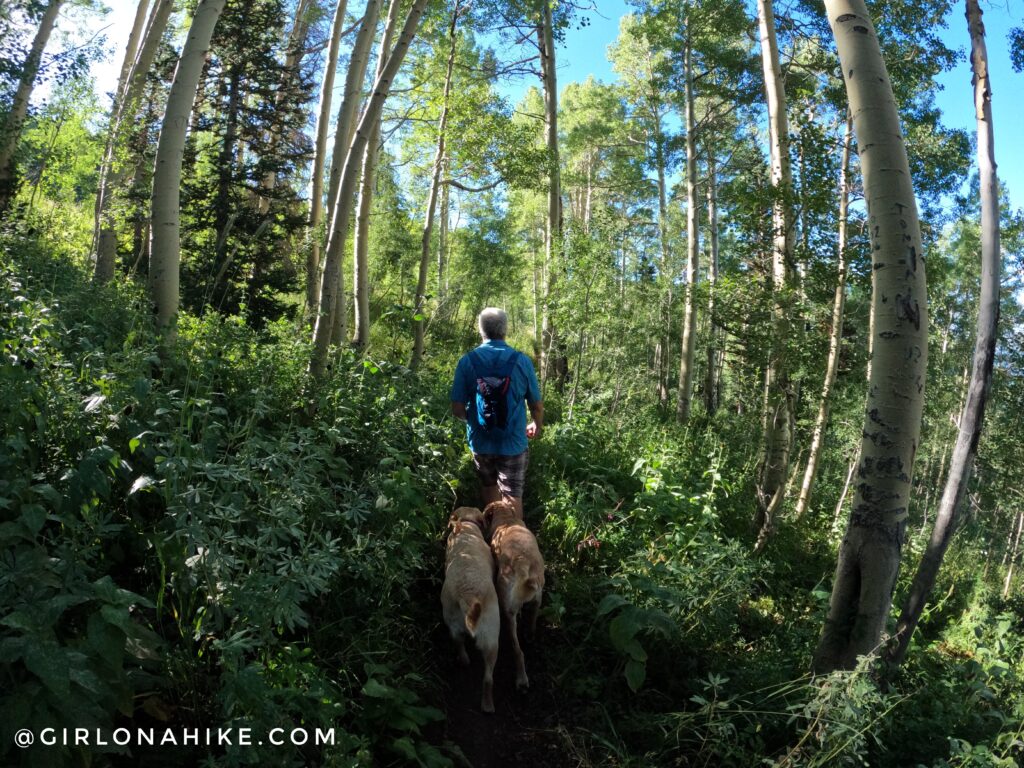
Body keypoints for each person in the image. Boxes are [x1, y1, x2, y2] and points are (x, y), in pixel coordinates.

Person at [451, 308, 543, 518]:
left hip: (481, 443)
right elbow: (536, 405)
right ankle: (514, 541)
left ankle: (493, 540)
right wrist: (536, 424)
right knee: (512, 496)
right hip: (514, 443)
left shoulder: (467, 361)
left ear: (480, 330)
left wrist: (474, 420)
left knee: (489, 487)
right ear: (505, 330)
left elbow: (456, 408)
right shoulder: (522, 361)